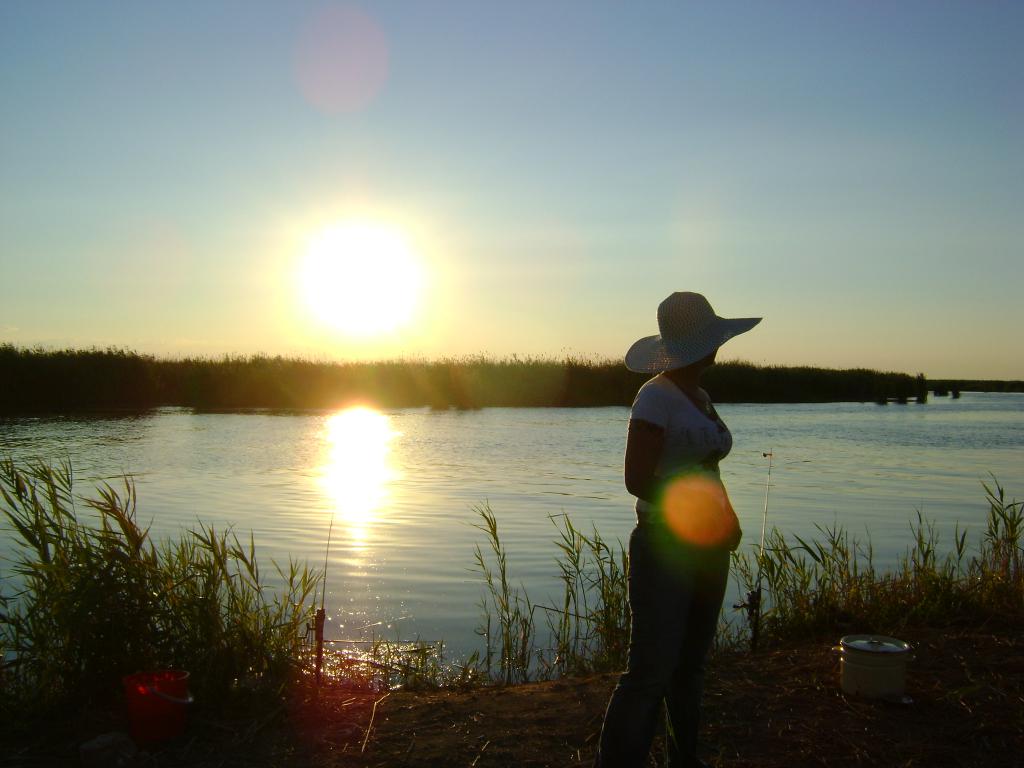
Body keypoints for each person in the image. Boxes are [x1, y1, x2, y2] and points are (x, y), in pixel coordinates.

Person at [594, 291, 761, 768]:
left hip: (709, 545)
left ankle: (684, 760)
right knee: (649, 670)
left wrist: (726, 517)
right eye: (713, 338)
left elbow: (707, 469)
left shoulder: (700, 397)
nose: (719, 346)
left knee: (691, 665)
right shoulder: (654, 397)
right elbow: (638, 481)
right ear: (700, 345)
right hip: (665, 543)